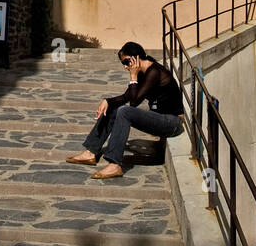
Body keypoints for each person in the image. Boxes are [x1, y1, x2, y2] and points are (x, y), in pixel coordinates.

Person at [66, 41, 185, 179]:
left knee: (124, 111)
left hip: (172, 122)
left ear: (136, 57)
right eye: (123, 63)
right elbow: (127, 96)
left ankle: (114, 164)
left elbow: (134, 103)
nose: (125, 66)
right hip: (158, 118)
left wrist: (133, 76)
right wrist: (107, 101)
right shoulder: (143, 72)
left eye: (127, 62)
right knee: (114, 109)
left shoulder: (154, 72)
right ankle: (90, 152)